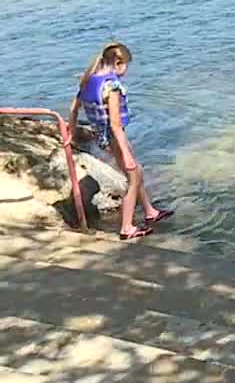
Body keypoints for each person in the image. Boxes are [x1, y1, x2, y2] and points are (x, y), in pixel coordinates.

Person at [68, 42, 174, 240]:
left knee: (138, 170)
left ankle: (150, 212)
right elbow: (115, 124)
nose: (126, 71)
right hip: (113, 136)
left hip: (102, 136)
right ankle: (127, 228)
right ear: (118, 62)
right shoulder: (111, 86)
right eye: (126, 65)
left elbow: (74, 108)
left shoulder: (89, 80)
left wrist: (70, 130)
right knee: (133, 177)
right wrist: (125, 151)